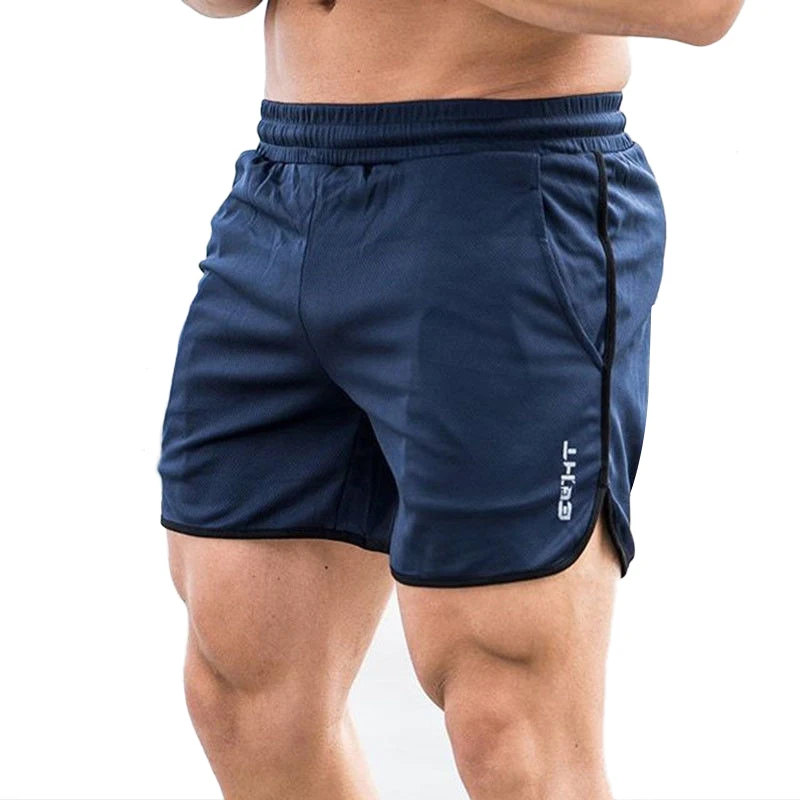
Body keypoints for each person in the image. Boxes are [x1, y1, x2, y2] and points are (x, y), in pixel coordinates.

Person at [157, 1, 744, 797]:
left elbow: (704, 9)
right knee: (243, 695)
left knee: (512, 729)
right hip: (284, 188)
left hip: (507, 182)